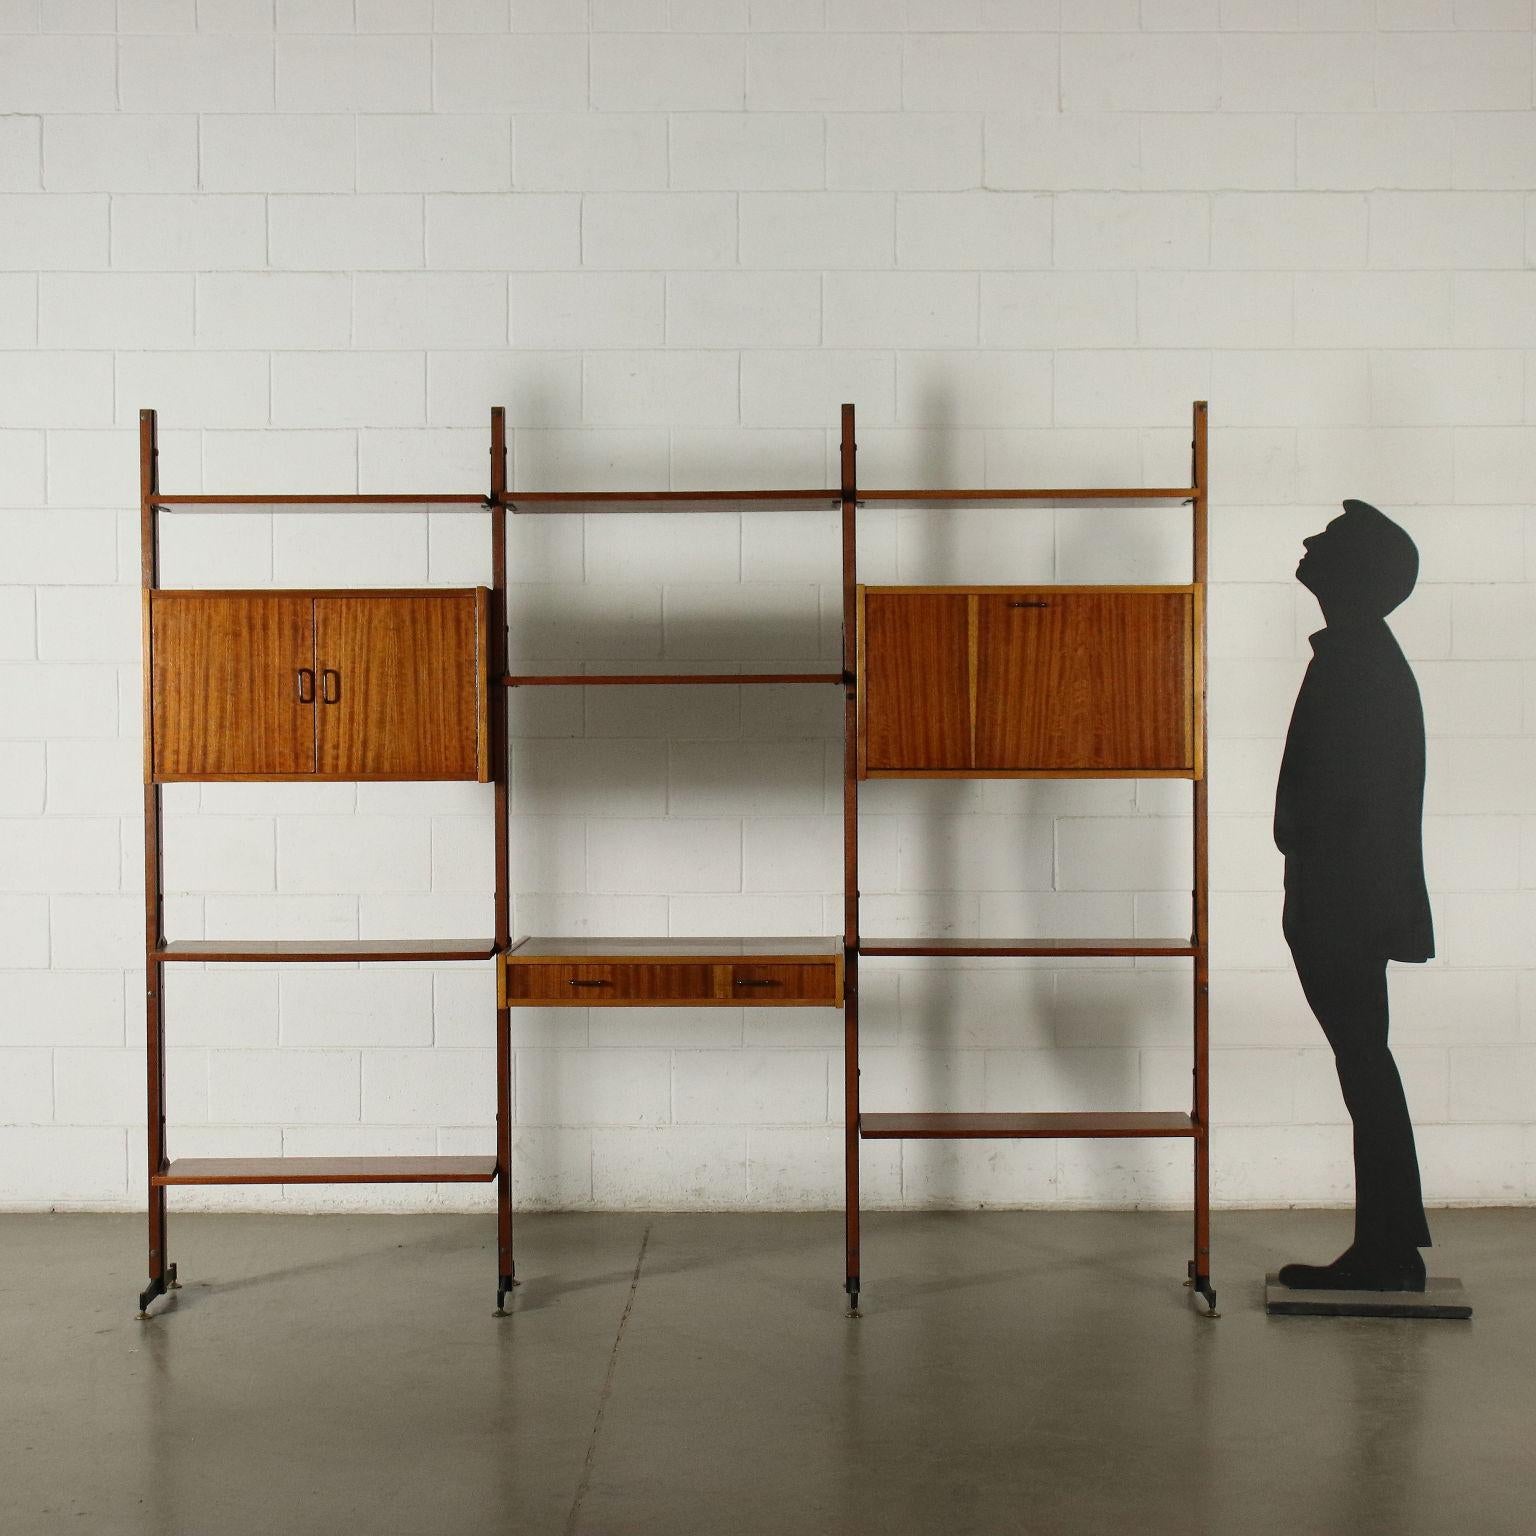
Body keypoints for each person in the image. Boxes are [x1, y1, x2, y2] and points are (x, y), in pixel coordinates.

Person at [1273, 499, 1434, 1292]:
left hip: (1343, 905)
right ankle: (1390, 1244)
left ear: (1358, 573)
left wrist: (1323, 894)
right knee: (1365, 1063)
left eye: (1329, 540)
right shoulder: (1359, 655)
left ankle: (1389, 1249)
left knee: (1365, 1063)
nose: (1310, 542)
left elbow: (1361, 804)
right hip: (1340, 900)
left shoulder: (1360, 662)